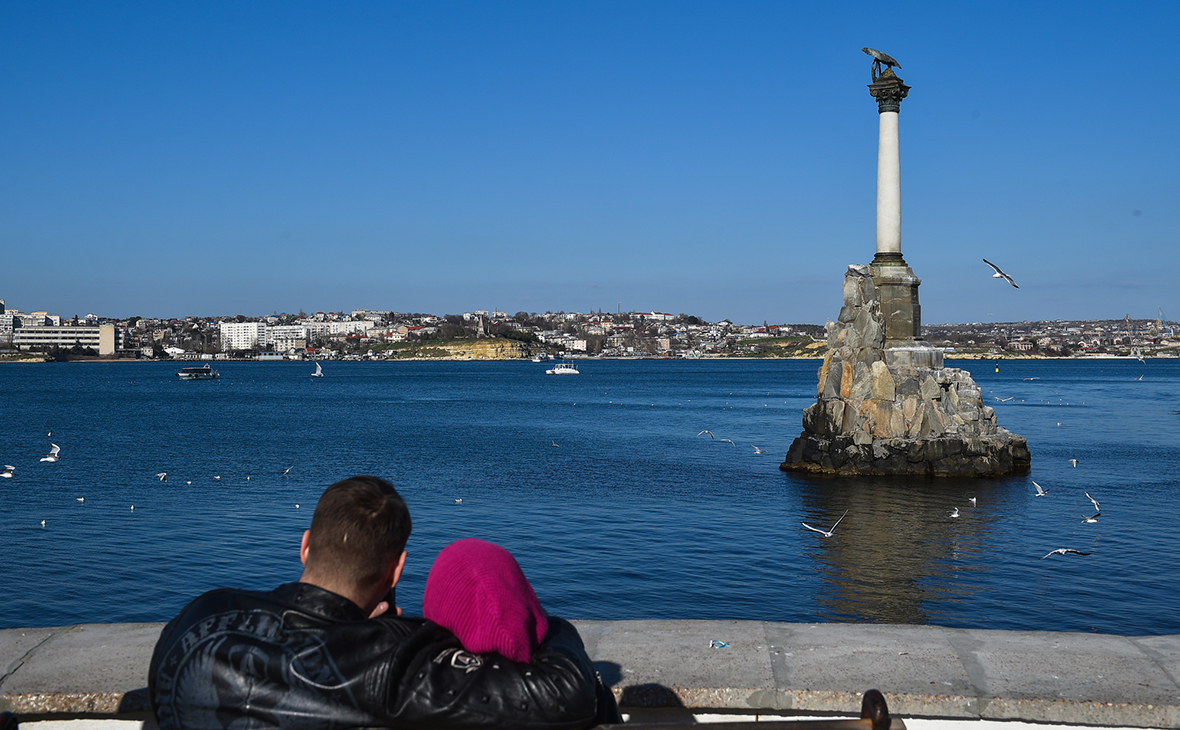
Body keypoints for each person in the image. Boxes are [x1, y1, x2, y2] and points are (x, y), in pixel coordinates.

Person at [149, 476, 605, 730]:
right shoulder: (389, 660)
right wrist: (552, 626)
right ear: (397, 570)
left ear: (305, 546)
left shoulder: (195, 619)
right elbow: (566, 695)